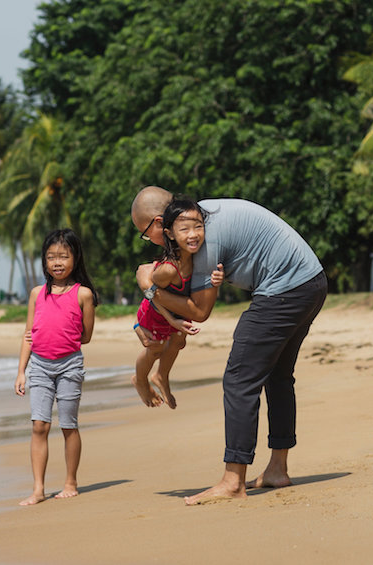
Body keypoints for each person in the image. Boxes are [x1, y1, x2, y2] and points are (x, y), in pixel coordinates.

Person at [132, 185, 327, 505]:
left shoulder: (202, 238)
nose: (150, 241)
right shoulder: (199, 219)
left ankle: (233, 480)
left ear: (157, 224)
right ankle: (277, 469)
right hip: (310, 280)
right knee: (276, 376)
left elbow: (199, 311)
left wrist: (149, 288)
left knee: (239, 377)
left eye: (145, 234)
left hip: (287, 287)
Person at [14, 228, 98, 506]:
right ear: (44, 261)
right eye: (51, 257)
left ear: (75, 259)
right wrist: (21, 371)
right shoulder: (37, 293)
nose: (57, 262)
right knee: (39, 425)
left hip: (69, 366)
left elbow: (85, 336)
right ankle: (38, 488)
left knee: (68, 425)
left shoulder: (83, 294)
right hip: (38, 365)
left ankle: (70, 482)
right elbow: (29, 334)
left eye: (64, 256)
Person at [132, 197, 223, 409]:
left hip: (176, 313)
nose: (192, 235)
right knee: (154, 348)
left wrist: (216, 281)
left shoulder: (200, 257)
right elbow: (153, 294)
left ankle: (161, 376)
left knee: (178, 342)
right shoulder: (169, 269)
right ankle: (140, 379)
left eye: (198, 227)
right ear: (171, 234)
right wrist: (171, 320)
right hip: (156, 313)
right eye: (184, 230)